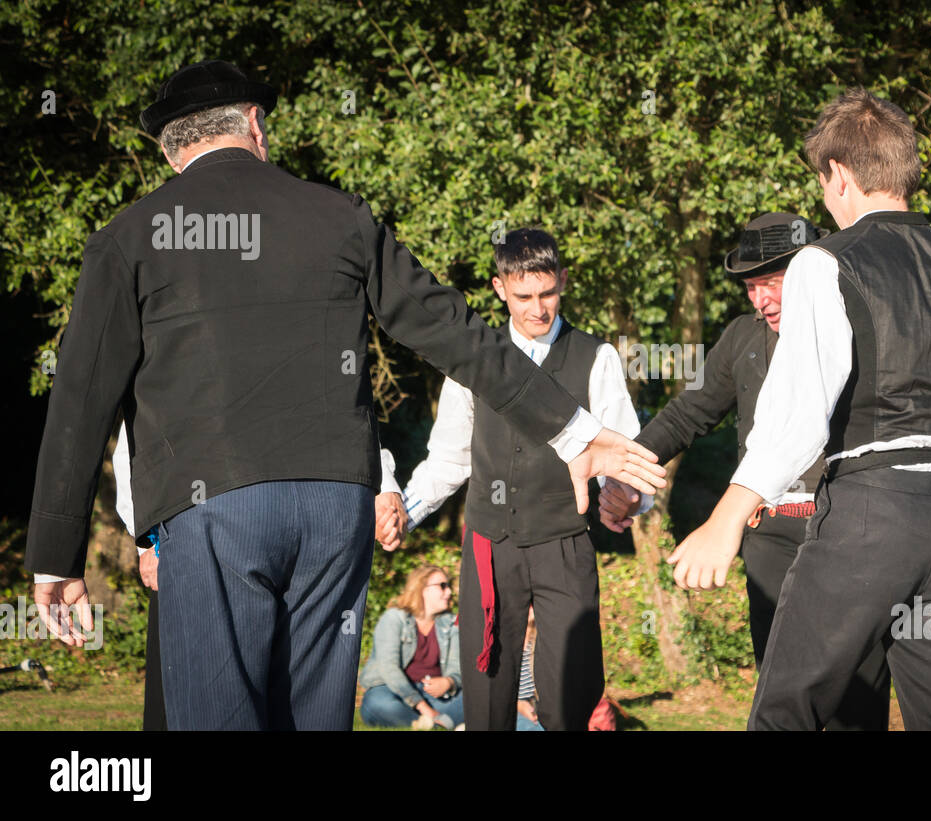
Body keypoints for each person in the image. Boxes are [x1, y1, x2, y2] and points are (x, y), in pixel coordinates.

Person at [24, 60, 666, 731]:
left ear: (169, 147)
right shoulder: (340, 215)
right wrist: (572, 429)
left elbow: (79, 402)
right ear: (255, 126)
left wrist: (54, 555)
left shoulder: (128, 238)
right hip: (335, 508)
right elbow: (455, 332)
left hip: (210, 505)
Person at [668, 87, 931, 730]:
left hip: (865, 516)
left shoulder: (823, 264)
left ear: (841, 176)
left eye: (822, 184)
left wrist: (725, 520)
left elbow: (797, 416)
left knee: (785, 713)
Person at [599, 212, 891, 730]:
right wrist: (626, 470)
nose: (761, 300)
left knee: (857, 697)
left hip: (849, 533)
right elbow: (688, 415)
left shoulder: (858, 327)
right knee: (780, 693)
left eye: (772, 283)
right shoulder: (741, 339)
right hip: (770, 540)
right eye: (752, 287)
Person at [398, 227, 647, 731]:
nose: (538, 309)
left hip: (565, 544)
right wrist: (406, 510)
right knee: (488, 689)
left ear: (563, 282)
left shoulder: (596, 358)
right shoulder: (473, 359)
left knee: (569, 691)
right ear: (498, 288)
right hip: (492, 544)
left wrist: (627, 497)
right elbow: (448, 459)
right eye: (523, 297)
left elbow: (625, 456)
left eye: (548, 293)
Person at [109, 421, 407, 730]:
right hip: (194, 528)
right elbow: (136, 433)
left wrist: (383, 482)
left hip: (307, 523)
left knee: (294, 700)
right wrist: (146, 540)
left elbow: (341, 399)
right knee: (191, 698)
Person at [358, 565, 463, 729]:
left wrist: (449, 682)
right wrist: (423, 707)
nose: (449, 592)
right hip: (394, 692)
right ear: (422, 589)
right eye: (442, 586)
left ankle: (427, 723)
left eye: (448, 586)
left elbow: (457, 666)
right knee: (378, 704)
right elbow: (389, 668)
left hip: (436, 697)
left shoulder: (452, 623)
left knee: (477, 699)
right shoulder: (394, 618)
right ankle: (439, 723)